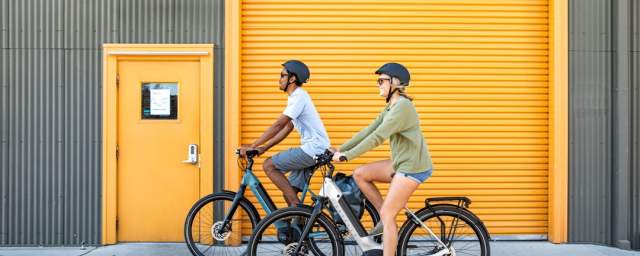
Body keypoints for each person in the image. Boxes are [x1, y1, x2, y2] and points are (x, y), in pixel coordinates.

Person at [332, 63, 434, 256]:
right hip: (401, 162)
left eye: (381, 80)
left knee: (389, 215)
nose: (378, 84)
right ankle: (384, 217)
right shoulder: (392, 106)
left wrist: (347, 156)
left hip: (413, 167)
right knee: (360, 173)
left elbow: (377, 137)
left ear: (395, 82)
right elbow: (369, 130)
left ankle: (387, 227)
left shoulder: (403, 107)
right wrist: (341, 149)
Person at [241, 60, 330, 207]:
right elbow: (287, 128)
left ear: (292, 79)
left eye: (282, 75)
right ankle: (298, 225)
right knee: (289, 191)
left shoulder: (299, 97)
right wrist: (264, 148)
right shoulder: (296, 98)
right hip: (315, 149)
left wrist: (253, 145)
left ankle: (297, 210)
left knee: (269, 165)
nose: (279, 79)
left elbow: (278, 125)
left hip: (313, 149)